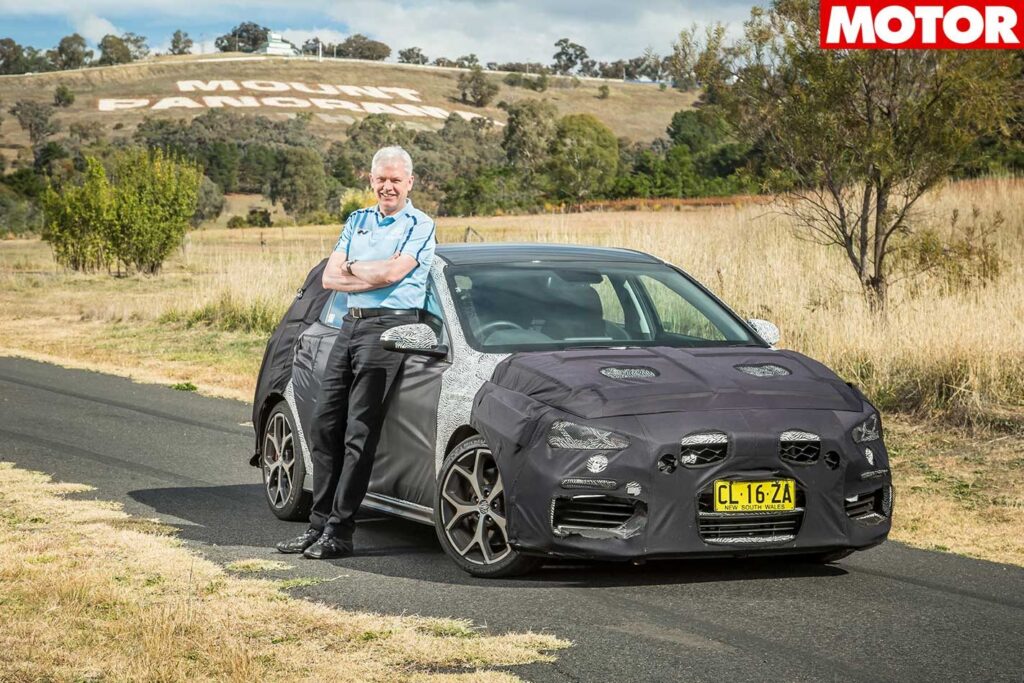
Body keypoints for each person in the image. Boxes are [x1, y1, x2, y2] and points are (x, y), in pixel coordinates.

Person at [276, 145, 436, 559]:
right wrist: (365, 274)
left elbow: (391, 273)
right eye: (381, 179)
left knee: (358, 434)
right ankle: (317, 527)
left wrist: (356, 269)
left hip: (390, 328)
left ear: (410, 183)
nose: (388, 186)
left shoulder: (421, 224)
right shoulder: (357, 220)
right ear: (370, 180)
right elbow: (330, 278)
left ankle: (340, 532)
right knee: (324, 426)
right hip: (349, 324)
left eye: (396, 180)